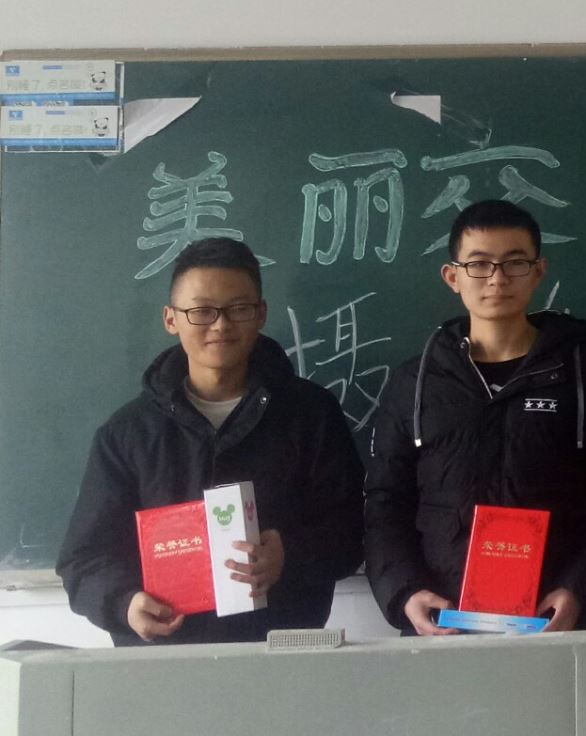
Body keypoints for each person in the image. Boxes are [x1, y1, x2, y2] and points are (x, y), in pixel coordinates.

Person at [57, 238, 364, 645]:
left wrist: (289, 553)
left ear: (261, 314)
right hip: (162, 661)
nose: (220, 325)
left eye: (238, 309)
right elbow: (84, 559)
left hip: (282, 653)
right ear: (171, 319)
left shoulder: (311, 414)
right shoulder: (128, 433)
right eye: (202, 311)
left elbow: (353, 531)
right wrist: (124, 603)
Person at [364, 199, 586, 636]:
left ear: (538, 271)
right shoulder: (414, 382)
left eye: (515, 263)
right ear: (452, 276)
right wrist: (405, 592)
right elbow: (384, 500)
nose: (497, 279)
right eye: (479, 264)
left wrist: (580, 589)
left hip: (553, 622)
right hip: (442, 624)